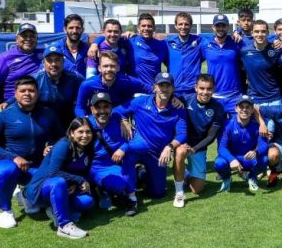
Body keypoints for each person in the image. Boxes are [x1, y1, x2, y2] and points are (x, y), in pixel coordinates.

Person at [0, 76, 62, 228]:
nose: (27, 94)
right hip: (7, 164)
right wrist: (13, 157)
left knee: (55, 183)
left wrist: (51, 146)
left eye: (31, 90)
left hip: (36, 166)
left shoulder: (48, 113)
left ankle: (29, 196)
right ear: (15, 93)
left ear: (37, 93)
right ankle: (5, 211)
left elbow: (61, 137)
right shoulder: (2, 115)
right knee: (7, 170)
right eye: (22, 91)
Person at [114, 72, 188, 211]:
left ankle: (141, 174)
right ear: (154, 87)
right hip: (138, 148)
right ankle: (131, 197)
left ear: (173, 89)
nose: (164, 89)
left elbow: (182, 134)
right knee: (129, 154)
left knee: (158, 193)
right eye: (161, 85)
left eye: (168, 86)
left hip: (157, 154)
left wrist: (169, 147)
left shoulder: (178, 110)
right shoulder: (140, 102)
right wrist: (123, 120)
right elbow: (116, 111)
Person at [24, 117, 96, 239]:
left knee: (87, 201)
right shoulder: (63, 145)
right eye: (80, 132)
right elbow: (54, 172)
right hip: (41, 188)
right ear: (72, 133)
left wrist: (75, 183)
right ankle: (64, 226)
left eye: (88, 132)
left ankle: (53, 209)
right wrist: (79, 181)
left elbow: (83, 172)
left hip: (64, 186)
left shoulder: (88, 148)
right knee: (58, 182)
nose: (85, 135)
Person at [0, 45, 84, 127]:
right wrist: (7, 103)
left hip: (69, 122)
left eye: (57, 60)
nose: (53, 64)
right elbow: (22, 95)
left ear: (63, 62)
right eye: (49, 60)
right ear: (43, 63)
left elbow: (86, 93)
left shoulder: (75, 78)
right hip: (43, 123)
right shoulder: (35, 79)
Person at [173, 74, 227, 198]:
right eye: (202, 88)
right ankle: (179, 191)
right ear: (196, 88)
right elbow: (169, 96)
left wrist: (195, 149)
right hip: (182, 143)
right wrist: (174, 98)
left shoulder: (218, 108)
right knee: (180, 152)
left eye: (209, 89)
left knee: (196, 189)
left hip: (198, 148)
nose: (205, 92)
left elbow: (211, 136)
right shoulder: (185, 99)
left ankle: (185, 172)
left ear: (213, 89)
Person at [86, 92, 137, 216]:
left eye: (106, 107)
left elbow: (131, 139)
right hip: (91, 168)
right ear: (92, 109)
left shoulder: (117, 120)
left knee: (122, 182)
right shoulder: (84, 124)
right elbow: (70, 142)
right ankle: (100, 190)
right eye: (98, 107)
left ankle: (127, 198)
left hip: (112, 165)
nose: (102, 111)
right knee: (114, 185)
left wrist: (123, 148)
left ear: (111, 108)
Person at [214, 96, 268, 192]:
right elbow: (222, 147)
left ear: (252, 110)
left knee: (264, 159)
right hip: (232, 157)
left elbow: (264, 145)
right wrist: (231, 159)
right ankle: (227, 179)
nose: (244, 109)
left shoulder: (257, 125)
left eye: (248, 107)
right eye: (241, 106)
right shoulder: (228, 124)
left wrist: (256, 152)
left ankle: (251, 177)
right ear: (236, 108)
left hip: (247, 158)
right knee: (219, 163)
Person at [75, 51, 151, 117]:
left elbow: (151, 89)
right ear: (99, 68)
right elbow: (79, 107)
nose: (109, 69)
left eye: (112, 66)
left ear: (118, 68)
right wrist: (84, 119)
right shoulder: (88, 85)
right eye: (105, 66)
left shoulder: (128, 81)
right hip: (97, 118)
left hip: (121, 118)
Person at [0, 23, 44, 107]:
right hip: (13, 105)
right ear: (16, 39)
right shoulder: (5, 57)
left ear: (37, 39)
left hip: (39, 104)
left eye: (32, 36)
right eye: (24, 36)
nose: (28, 39)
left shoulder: (45, 55)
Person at [203, 14, 244, 114]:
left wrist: (239, 30)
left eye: (223, 26)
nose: (220, 28)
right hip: (213, 96)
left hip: (234, 96)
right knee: (214, 128)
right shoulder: (204, 44)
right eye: (218, 26)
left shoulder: (236, 42)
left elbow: (255, 39)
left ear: (228, 27)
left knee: (236, 128)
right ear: (213, 27)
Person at [240, 20, 282, 107]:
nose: (260, 34)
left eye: (263, 31)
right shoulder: (244, 52)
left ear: (267, 33)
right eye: (256, 31)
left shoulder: (277, 49)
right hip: (255, 99)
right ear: (252, 33)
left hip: (274, 98)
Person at [166, 12, 205, 96]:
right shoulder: (168, 42)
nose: (183, 27)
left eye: (186, 24)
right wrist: (134, 35)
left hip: (193, 90)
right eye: (180, 24)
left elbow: (217, 35)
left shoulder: (199, 41)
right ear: (175, 26)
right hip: (174, 90)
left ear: (191, 26)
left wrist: (236, 32)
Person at [128, 13, 169, 88]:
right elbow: (109, 38)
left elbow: (170, 66)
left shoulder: (162, 45)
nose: (146, 28)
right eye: (143, 26)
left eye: (149, 26)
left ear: (154, 28)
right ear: (138, 28)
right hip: (134, 89)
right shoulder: (130, 41)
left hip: (154, 89)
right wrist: (98, 41)